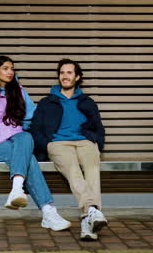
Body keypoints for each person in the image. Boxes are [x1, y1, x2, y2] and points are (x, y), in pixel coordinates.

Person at [0, 55, 71, 231]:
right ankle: (48, 212)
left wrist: (14, 125)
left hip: (16, 138)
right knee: (28, 159)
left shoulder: (19, 91)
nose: (10, 72)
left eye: (12, 69)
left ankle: (17, 190)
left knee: (26, 137)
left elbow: (31, 116)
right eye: (6, 68)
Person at [29, 58, 107, 240]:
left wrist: (97, 142)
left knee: (93, 170)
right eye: (62, 72)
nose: (65, 76)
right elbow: (35, 129)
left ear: (77, 77)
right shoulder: (47, 102)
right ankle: (92, 211)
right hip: (58, 144)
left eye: (69, 73)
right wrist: (46, 144)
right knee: (73, 171)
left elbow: (99, 127)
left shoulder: (87, 102)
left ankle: (88, 221)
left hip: (85, 142)